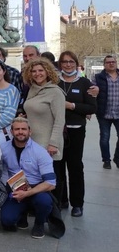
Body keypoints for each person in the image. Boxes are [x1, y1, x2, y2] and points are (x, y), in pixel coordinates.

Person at [0, 118, 56, 239]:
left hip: (36, 189)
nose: (20, 132)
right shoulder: (3, 148)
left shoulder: (40, 152)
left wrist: (27, 193)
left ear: (29, 131)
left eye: (24, 129)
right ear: (11, 131)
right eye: (17, 129)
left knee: (45, 202)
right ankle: (22, 214)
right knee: (6, 220)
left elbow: (51, 183)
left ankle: (39, 223)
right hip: (15, 189)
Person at [56, 51, 96, 217]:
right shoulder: (55, 82)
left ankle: (77, 204)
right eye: (64, 62)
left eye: (71, 61)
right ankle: (61, 200)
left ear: (76, 63)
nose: (68, 65)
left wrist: (71, 106)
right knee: (58, 166)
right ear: (60, 64)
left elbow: (92, 108)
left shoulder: (85, 83)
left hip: (76, 130)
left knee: (75, 167)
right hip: (57, 130)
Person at [21, 58, 66, 160]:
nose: (37, 73)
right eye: (34, 71)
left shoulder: (55, 92)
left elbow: (59, 120)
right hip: (31, 142)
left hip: (47, 144)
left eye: (41, 70)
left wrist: (53, 144)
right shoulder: (32, 90)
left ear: (47, 72)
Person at [92, 55, 119, 170]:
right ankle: (106, 160)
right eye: (108, 62)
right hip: (104, 113)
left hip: (118, 113)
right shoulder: (98, 77)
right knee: (104, 137)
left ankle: (117, 158)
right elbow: (92, 94)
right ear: (104, 64)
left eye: (113, 62)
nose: (111, 64)